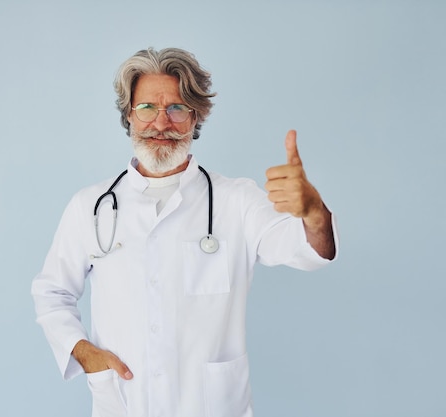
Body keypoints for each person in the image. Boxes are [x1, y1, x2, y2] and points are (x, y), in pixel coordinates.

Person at [32, 47, 338, 417]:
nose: (161, 123)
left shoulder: (236, 200)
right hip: (125, 405)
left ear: (196, 117)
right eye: (147, 107)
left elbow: (310, 252)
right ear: (129, 115)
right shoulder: (91, 206)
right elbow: (52, 292)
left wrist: (314, 213)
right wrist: (83, 352)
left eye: (177, 108)